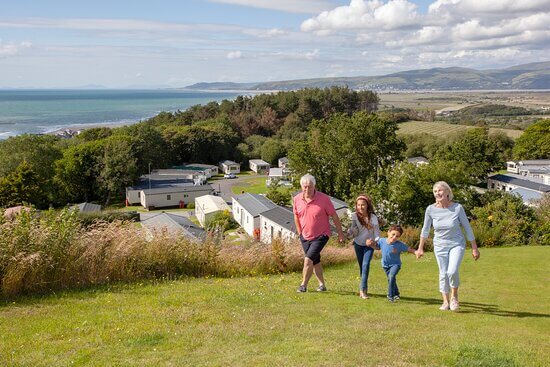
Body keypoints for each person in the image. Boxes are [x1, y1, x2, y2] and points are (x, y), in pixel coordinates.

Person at [416, 181, 480, 311]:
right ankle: (445, 301)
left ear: (447, 192)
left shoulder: (457, 208)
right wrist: (420, 248)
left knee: (452, 271)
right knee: (443, 273)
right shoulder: (430, 209)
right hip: (439, 245)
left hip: (457, 244)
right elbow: (425, 229)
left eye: (440, 190)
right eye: (435, 191)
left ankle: (454, 297)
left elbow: (467, 228)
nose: (437, 193)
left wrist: (474, 248)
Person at [293, 174, 345, 293]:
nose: (307, 189)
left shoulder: (324, 199)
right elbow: (296, 215)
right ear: (301, 187)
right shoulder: (296, 199)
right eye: (304, 187)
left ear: (314, 186)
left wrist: (340, 233)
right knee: (315, 261)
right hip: (305, 236)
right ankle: (322, 285)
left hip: (321, 235)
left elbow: (334, 216)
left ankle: (303, 285)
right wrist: (299, 232)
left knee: (308, 260)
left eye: (309, 187)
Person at [348, 194, 380, 299]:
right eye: (358, 205)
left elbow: (377, 233)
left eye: (363, 205)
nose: (360, 207)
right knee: (362, 267)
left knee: (366, 265)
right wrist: (350, 232)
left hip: (369, 245)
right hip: (358, 244)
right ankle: (364, 288)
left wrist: (374, 242)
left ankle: (362, 291)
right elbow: (354, 230)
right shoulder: (354, 216)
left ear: (367, 205)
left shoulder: (373, 217)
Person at [375, 224, 417, 302]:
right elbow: (376, 247)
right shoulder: (382, 241)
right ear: (388, 232)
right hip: (385, 265)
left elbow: (409, 249)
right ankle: (396, 293)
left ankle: (390, 296)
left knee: (391, 277)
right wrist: (370, 244)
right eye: (393, 234)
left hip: (395, 265)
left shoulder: (399, 245)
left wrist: (416, 252)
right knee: (391, 279)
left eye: (397, 236)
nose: (394, 237)